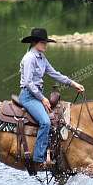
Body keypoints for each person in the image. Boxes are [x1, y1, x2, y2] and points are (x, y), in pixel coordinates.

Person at [19, 28, 85, 168]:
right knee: (45, 122)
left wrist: (73, 84)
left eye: (46, 42)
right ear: (35, 43)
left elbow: (54, 73)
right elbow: (28, 83)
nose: (46, 45)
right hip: (29, 96)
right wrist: (43, 98)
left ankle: (54, 153)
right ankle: (38, 157)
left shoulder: (42, 57)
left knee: (57, 119)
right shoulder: (30, 58)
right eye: (43, 42)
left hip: (37, 95)